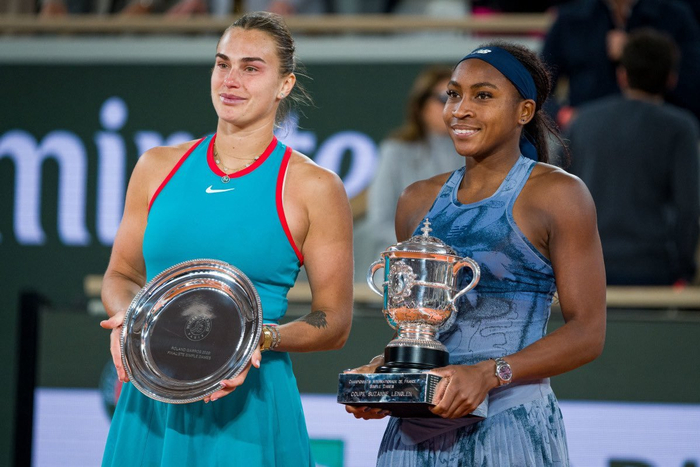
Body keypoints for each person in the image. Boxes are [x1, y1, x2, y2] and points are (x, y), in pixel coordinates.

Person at [99, 11, 354, 466]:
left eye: (251, 68)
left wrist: (258, 338)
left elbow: (334, 321)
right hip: (151, 404)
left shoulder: (315, 187)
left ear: (284, 85)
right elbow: (121, 274)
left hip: (247, 407)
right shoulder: (155, 166)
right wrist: (129, 320)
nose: (230, 80)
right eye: (222, 64)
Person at [347, 41, 607, 466]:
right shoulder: (415, 200)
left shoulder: (559, 194)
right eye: (453, 94)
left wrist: (489, 374)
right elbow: (424, 327)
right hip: (412, 436)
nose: (460, 110)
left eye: (483, 96)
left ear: (524, 111)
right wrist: (386, 373)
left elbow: (587, 333)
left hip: (511, 425)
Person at [564, 29, 700, 286]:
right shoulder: (681, 127)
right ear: (671, 79)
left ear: (622, 75)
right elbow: (688, 209)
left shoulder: (582, 121)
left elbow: (558, 198)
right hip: (653, 268)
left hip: (585, 267)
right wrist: (684, 269)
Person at [541, 0, 700, 128]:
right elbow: (539, 87)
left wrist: (637, 51)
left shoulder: (675, 16)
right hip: (591, 134)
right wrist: (562, 114)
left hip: (656, 130)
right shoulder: (570, 18)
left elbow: (692, 86)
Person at [363, 65, 464, 259]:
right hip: (403, 261)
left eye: (459, 99)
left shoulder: (477, 155)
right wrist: (426, 249)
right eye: (445, 99)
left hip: (461, 261)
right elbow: (379, 222)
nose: (455, 108)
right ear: (421, 105)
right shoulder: (396, 151)